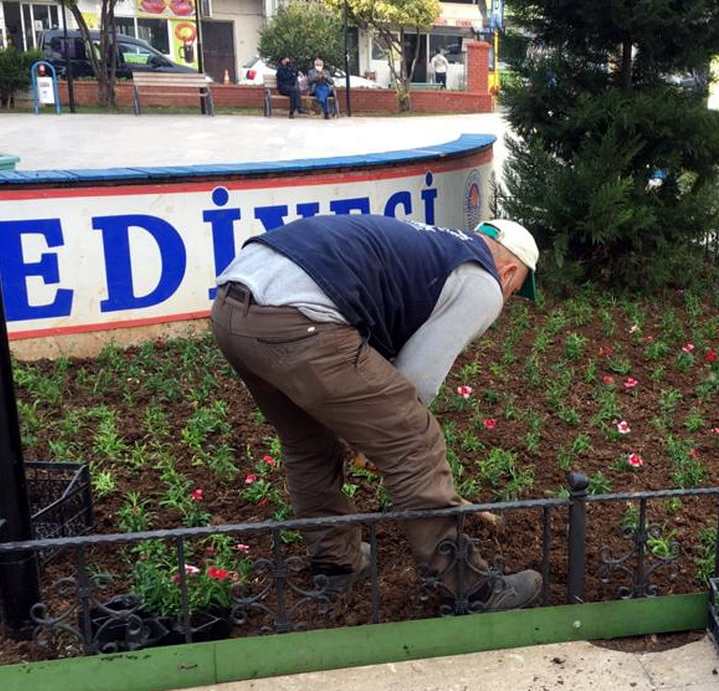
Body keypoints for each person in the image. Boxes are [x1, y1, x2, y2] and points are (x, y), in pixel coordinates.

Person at [210, 216, 543, 612]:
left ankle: (336, 562)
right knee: (414, 438)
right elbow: (417, 380)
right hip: (299, 320)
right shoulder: (483, 281)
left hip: (233, 309)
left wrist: (364, 424)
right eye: (515, 291)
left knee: (308, 441)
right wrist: (379, 436)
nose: (505, 301)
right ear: (508, 272)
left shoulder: (435, 246)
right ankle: (472, 590)